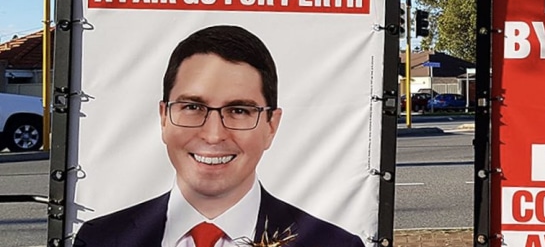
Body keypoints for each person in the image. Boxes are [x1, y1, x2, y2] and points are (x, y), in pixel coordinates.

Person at [73, 25, 365, 247]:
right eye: (192, 107)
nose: (213, 135)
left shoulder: (332, 243)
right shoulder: (100, 239)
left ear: (271, 126)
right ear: (164, 117)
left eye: (238, 111)